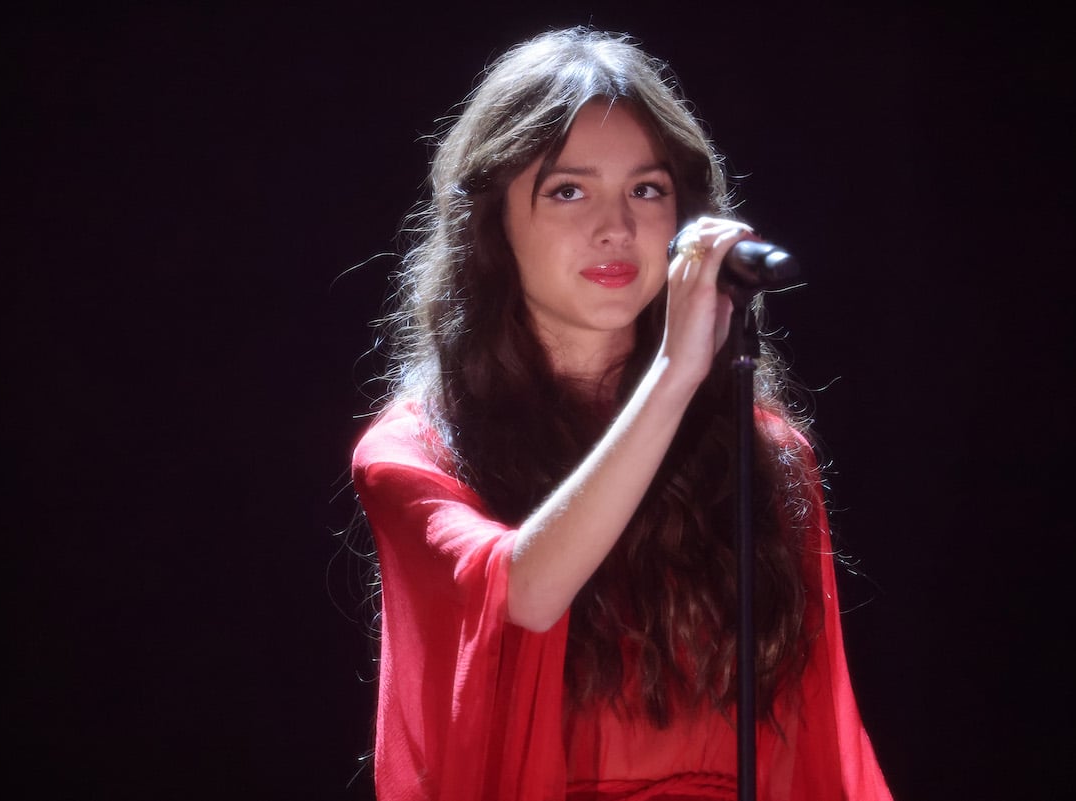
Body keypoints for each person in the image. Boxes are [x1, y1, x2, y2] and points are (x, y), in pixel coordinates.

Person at [349, 25, 893, 801]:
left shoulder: (762, 450)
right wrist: (674, 370)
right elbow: (522, 593)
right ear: (492, 223)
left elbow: (810, 753)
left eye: (646, 190)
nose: (617, 228)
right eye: (567, 191)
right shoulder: (411, 453)